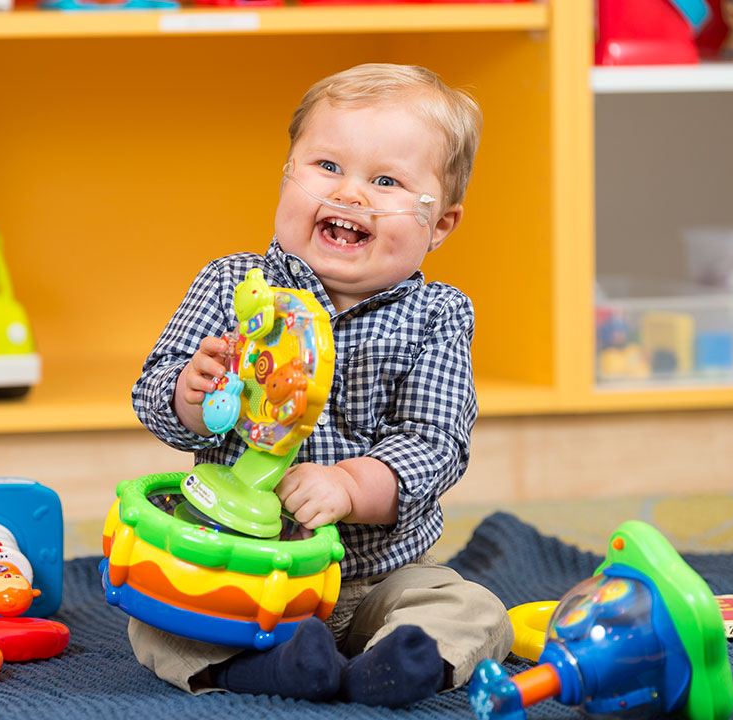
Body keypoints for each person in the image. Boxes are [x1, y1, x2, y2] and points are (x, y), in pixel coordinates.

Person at [129, 62, 511, 708]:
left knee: (473, 609)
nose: (350, 194)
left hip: (376, 578)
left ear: (439, 224)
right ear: (286, 177)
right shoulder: (230, 284)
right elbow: (153, 395)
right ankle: (267, 668)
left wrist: (351, 484)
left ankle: (395, 666)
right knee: (156, 621)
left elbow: (436, 442)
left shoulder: (439, 315)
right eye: (327, 167)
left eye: (385, 180)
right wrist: (190, 396)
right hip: (238, 572)